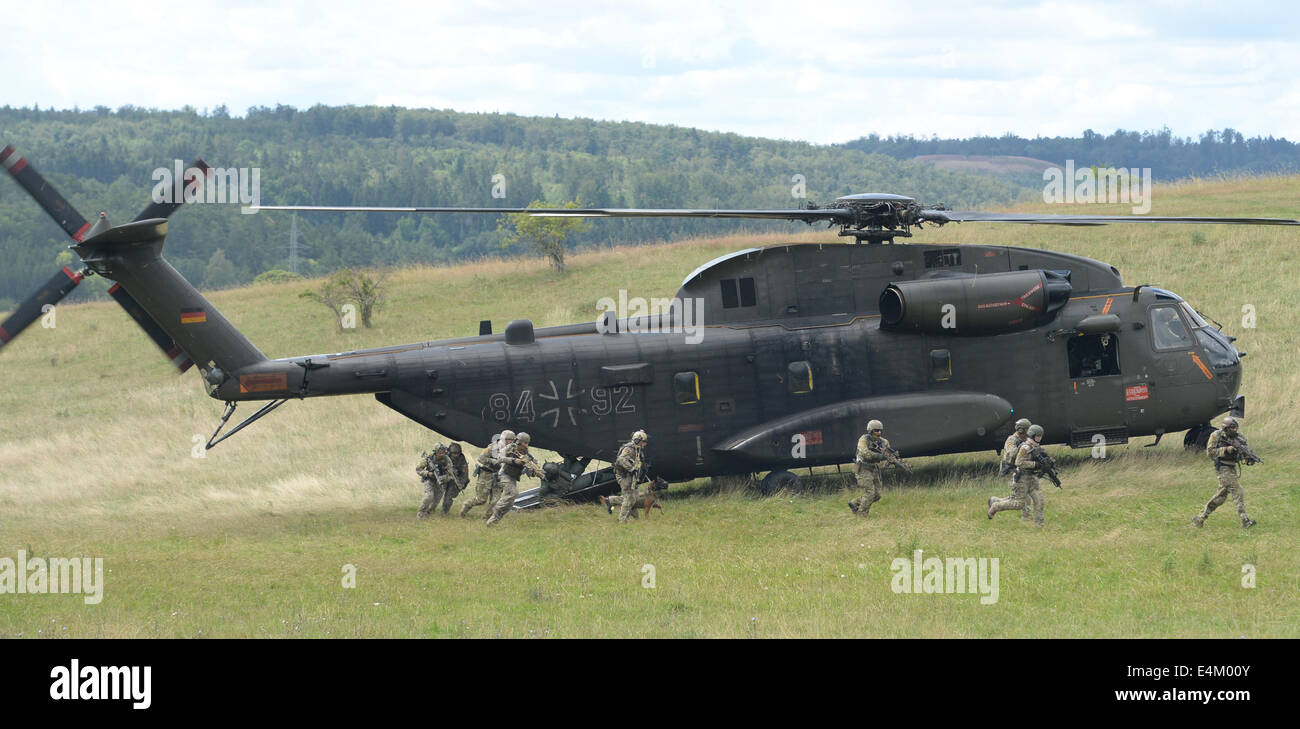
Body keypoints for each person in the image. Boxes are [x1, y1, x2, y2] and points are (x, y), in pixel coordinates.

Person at [1192, 416, 1257, 529]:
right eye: (1232, 428)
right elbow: (1210, 452)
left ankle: (1200, 518)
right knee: (1238, 491)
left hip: (1232, 467)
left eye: (1235, 427)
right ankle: (1245, 521)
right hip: (1222, 467)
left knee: (1220, 497)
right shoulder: (1216, 435)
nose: (1234, 430)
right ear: (1225, 428)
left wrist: (1248, 458)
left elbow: (1245, 452)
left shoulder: (1240, 438)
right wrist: (1226, 450)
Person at [987, 424, 1046, 526]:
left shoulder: (1033, 445)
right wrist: (1035, 463)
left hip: (1030, 476)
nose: (1039, 438)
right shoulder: (1022, 444)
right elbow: (1018, 460)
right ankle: (996, 505)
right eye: (1037, 436)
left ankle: (1039, 525)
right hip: (1018, 475)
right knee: (1019, 502)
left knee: (1039, 499)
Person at [486, 432, 538, 526]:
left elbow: (529, 467)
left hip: (513, 478)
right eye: (524, 443)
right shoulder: (510, 448)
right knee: (513, 493)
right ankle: (496, 508)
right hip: (504, 474)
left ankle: (493, 522)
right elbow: (500, 458)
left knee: (509, 504)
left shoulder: (526, 453)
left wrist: (533, 471)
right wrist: (514, 460)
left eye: (527, 443)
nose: (526, 445)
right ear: (518, 441)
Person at [459, 431, 513, 519]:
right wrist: (493, 461)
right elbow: (481, 458)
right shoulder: (492, 448)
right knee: (481, 499)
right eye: (508, 440)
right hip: (486, 474)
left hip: (499, 476)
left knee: (495, 500)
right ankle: (466, 506)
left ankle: (487, 517)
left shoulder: (511, 450)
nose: (510, 442)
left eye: (512, 440)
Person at [994, 418, 1033, 521]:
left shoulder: (1025, 440)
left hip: (1018, 470)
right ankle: (995, 505)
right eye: (1027, 430)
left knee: (1022, 494)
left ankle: (995, 501)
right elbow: (1013, 453)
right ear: (1021, 430)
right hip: (1009, 471)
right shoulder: (1011, 440)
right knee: (1020, 497)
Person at [849, 420, 889, 516]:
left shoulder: (883, 441)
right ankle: (861, 514)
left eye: (880, 430)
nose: (879, 433)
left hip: (874, 467)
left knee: (877, 495)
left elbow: (887, 450)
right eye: (876, 430)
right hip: (863, 467)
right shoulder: (863, 440)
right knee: (870, 492)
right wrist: (879, 456)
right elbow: (865, 453)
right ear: (870, 430)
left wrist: (889, 456)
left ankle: (855, 503)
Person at [611, 430, 648, 524]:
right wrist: (631, 468)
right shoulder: (629, 449)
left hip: (631, 476)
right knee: (628, 498)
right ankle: (622, 520)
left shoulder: (637, 450)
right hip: (624, 476)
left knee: (634, 497)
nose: (645, 444)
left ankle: (610, 501)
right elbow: (621, 459)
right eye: (643, 441)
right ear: (637, 440)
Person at [416, 444, 453, 520]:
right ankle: (421, 513)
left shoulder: (447, 459)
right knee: (429, 496)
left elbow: (450, 471)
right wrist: (428, 473)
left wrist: (446, 475)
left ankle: (429, 514)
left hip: (440, 480)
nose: (442, 454)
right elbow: (418, 469)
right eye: (440, 452)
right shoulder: (428, 459)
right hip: (429, 480)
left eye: (443, 452)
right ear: (436, 452)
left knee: (436, 500)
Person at [439, 442, 470, 515]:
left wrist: (461, 484)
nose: (456, 455)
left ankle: (444, 512)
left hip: (453, 479)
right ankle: (429, 509)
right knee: (437, 494)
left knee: (450, 496)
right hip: (442, 477)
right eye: (454, 453)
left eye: (457, 453)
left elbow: (465, 473)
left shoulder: (461, 458)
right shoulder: (444, 455)